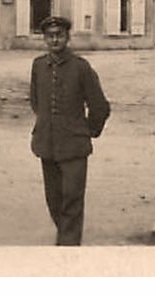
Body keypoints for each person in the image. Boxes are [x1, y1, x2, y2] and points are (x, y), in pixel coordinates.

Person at [29, 14, 111, 245]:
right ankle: (66, 238)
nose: (55, 40)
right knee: (53, 200)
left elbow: (99, 106)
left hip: (74, 145)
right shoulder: (38, 66)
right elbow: (36, 101)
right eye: (50, 36)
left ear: (67, 37)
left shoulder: (81, 67)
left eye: (59, 35)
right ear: (44, 39)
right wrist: (46, 124)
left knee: (72, 199)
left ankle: (67, 248)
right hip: (47, 144)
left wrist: (87, 131)